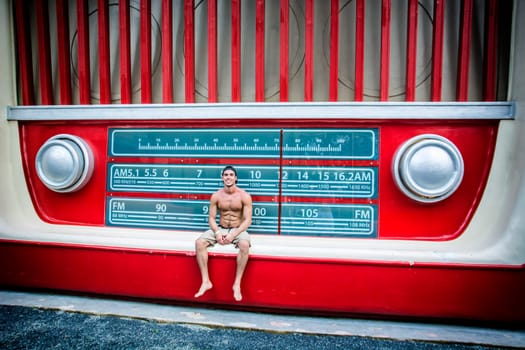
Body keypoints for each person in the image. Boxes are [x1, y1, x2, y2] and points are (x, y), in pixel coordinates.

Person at [194, 165, 252, 301]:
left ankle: (237, 284)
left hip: (238, 229)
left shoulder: (244, 196)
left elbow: (248, 220)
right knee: (199, 243)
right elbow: (211, 218)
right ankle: (206, 281)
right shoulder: (216, 196)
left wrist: (233, 234)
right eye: (226, 175)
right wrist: (217, 233)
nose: (228, 177)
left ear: (236, 178)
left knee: (244, 244)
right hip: (221, 228)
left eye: (231, 175)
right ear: (222, 177)